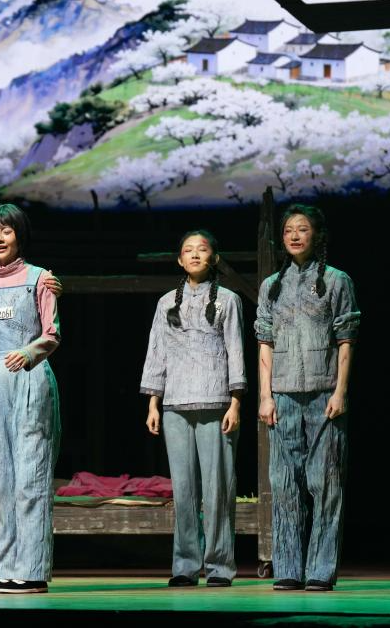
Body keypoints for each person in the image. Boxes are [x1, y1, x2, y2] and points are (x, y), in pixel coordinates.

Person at [254, 204, 360, 592]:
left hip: (323, 392)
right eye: (288, 230)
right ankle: (287, 568)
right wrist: (265, 396)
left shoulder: (336, 280)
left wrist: (341, 391)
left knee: (325, 482)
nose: (295, 236)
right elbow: (264, 342)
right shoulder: (272, 285)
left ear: (317, 235)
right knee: (284, 484)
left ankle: (320, 569)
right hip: (282, 395)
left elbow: (346, 339)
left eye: (302, 229)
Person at [141, 230, 246, 588]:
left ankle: (219, 567)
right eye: (188, 250)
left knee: (217, 490)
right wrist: (153, 402)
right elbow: (157, 351)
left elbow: (235, 349)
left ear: (214, 258)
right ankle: (185, 565)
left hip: (216, 401)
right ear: (180, 260)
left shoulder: (228, 300)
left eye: (202, 250)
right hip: (175, 403)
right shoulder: (166, 303)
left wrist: (236, 400)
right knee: (184, 491)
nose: (195, 255)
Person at [0, 204, 60, 594]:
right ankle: (6, 570)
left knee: (30, 477)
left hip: (30, 379)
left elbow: (52, 334)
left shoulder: (40, 278)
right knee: (2, 481)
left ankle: (32, 571)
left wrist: (29, 351)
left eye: (6, 230)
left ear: (19, 236)